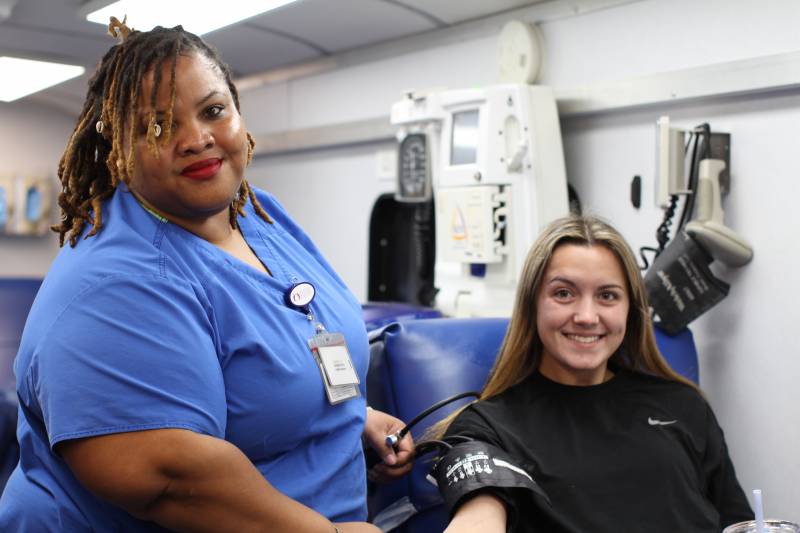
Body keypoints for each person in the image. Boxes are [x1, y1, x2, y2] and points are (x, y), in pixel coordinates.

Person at [0, 18, 412, 532]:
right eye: (159, 126)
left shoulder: (261, 217)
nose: (196, 139)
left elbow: (296, 344)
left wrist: (349, 419)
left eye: (213, 110)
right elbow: (169, 476)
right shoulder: (112, 282)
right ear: (119, 150)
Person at [433, 214, 753, 533]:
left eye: (607, 296)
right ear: (532, 305)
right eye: (563, 293)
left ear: (631, 309)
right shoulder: (486, 428)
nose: (587, 316)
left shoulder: (684, 404)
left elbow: (741, 524)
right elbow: (478, 518)